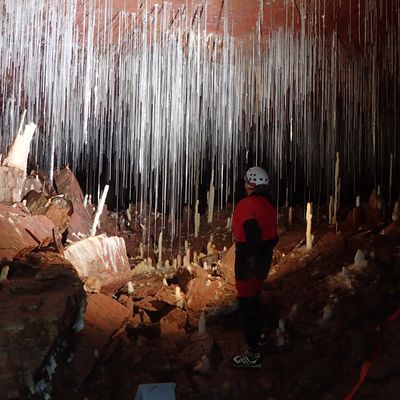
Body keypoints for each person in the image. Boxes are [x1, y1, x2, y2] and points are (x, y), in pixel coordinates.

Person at [231, 166, 278, 369]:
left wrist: (249, 256)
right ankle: (259, 337)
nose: (244, 185)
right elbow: (273, 236)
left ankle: (253, 354)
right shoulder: (269, 205)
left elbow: (251, 234)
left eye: (246, 182)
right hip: (263, 261)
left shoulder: (246, 205)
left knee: (247, 306)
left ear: (251, 185)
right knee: (255, 300)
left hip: (248, 261)